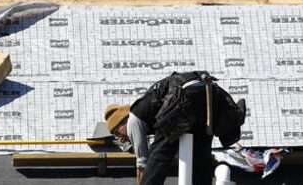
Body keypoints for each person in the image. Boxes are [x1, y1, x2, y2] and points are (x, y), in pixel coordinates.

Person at [104, 72, 245, 185]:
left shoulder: (134, 118)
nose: (120, 138)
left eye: (117, 132)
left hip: (185, 97)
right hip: (209, 93)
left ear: (124, 120)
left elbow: (143, 163)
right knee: (200, 156)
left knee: (160, 153)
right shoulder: (148, 107)